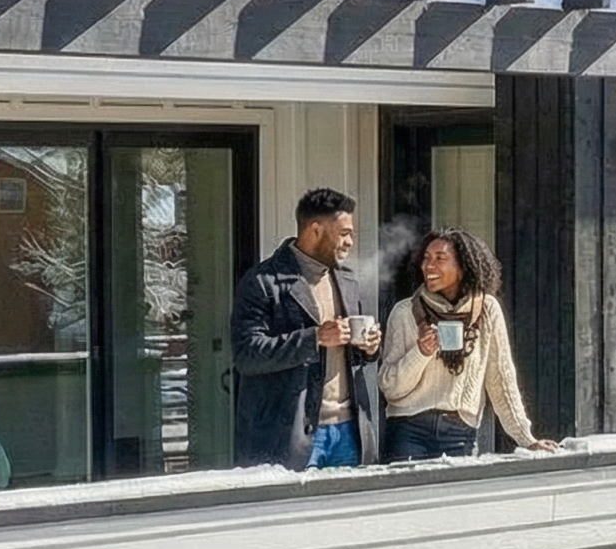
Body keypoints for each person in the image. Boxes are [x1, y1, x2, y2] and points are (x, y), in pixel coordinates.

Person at [232, 188, 382, 469]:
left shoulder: (348, 281)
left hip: (350, 430)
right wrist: (314, 338)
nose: (350, 242)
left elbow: (350, 356)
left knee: (354, 513)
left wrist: (369, 348)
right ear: (315, 229)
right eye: (344, 233)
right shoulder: (262, 281)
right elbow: (246, 354)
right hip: (291, 435)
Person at [379, 228, 556, 460]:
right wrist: (421, 353)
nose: (429, 266)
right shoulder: (404, 312)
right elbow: (389, 387)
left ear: (463, 267)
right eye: (426, 258)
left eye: (440, 259)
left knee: (457, 496)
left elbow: (501, 380)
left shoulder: (486, 309)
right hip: (408, 430)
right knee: (406, 496)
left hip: (460, 432)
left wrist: (527, 439)